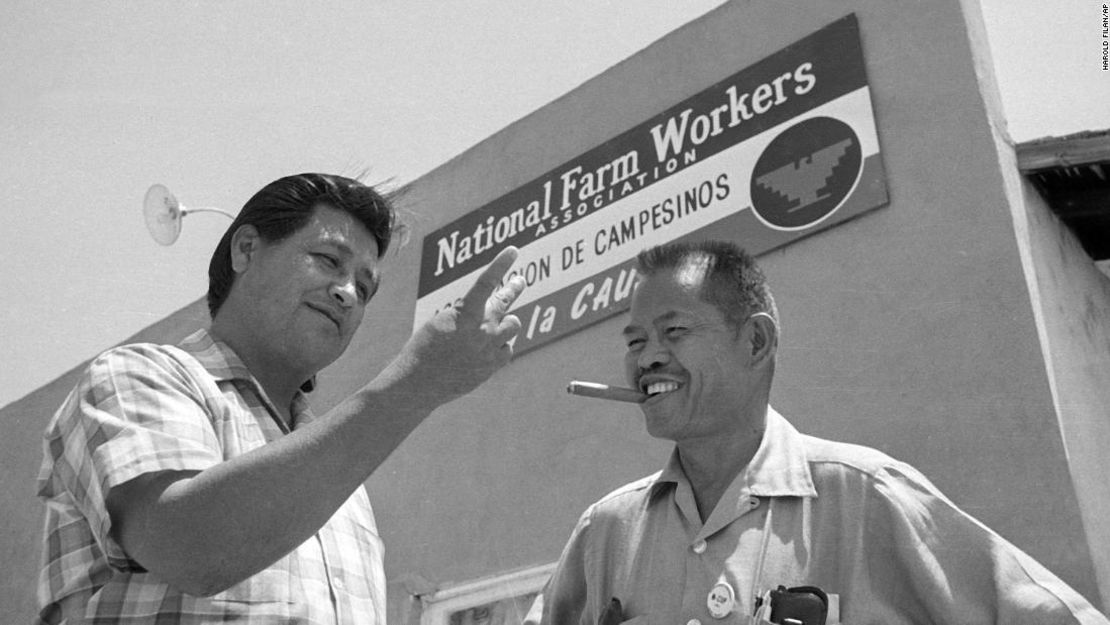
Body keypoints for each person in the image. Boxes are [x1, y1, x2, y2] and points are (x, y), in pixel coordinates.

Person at [526, 240, 1108, 624]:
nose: (647, 358)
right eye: (634, 341)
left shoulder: (867, 496)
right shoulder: (605, 534)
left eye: (673, 331)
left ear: (755, 342)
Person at [36, 173, 526, 624]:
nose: (347, 293)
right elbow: (193, 548)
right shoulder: (138, 376)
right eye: (328, 260)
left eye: (364, 285)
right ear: (246, 249)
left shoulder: (345, 489)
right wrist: (416, 383)